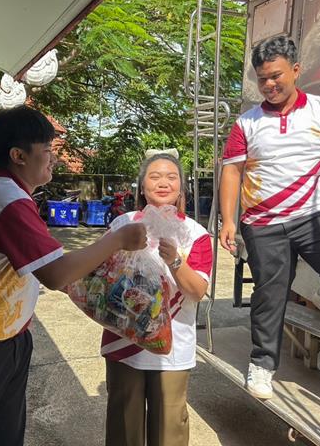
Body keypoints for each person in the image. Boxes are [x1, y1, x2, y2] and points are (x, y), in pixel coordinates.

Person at [0, 105, 147, 446]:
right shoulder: (8, 201)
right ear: (18, 155)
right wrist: (116, 239)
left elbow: (53, 261)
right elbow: (56, 274)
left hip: (6, 344)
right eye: (47, 152)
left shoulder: (16, 197)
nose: (53, 160)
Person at [219, 36, 320, 400]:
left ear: (296, 70)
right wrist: (228, 221)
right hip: (262, 223)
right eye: (262, 79)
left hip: (314, 215)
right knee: (270, 294)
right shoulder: (247, 123)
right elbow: (231, 173)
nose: (270, 85)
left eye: (276, 76)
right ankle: (262, 365)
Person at [101, 150, 212, 446]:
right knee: (124, 424)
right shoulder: (122, 224)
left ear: (181, 187)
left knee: (170, 428)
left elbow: (197, 292)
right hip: (124, 339)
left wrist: (176, 261)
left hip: (172, 347)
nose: (163, 183)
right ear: (141, 186)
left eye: (171, 177)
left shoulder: (195, 234)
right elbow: (99, 278)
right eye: (155, 176)